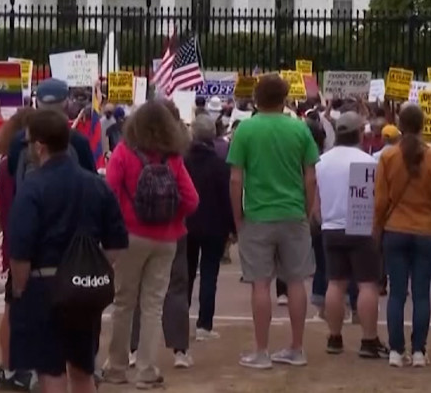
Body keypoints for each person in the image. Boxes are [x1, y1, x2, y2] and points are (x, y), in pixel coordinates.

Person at [8, 109, 128, 393]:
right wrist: (92, 269)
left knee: (51, 372)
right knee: (83, 368)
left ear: (40, 146)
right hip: (84, 287)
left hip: (43, 286)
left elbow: (21, 251)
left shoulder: (33, 187)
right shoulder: (96, 184)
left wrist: (20, 292)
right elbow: (115, 243)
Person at [103, 101, 199, 388]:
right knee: (153, 305)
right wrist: (172, 217)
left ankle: (118, 366)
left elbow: (108, 191)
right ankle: (146, 369)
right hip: (166, 238)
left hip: (130, 236)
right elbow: (192, 200)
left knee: (123, 302)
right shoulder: (173, 158)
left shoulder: (123, 152)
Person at [228, 75, 319, 370]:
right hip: (293, 212)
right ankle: (297, 347)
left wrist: (237, 217)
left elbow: (236, 178)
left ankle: (262, 350)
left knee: (260, 283)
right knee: (295, 281)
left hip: (258, 214)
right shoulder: (299, 129)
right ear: (285, 98)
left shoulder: (246, 130)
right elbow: (310, 176)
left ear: (256, 98)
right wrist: (305, 211)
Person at [374, 103, 431, 368]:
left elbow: (381, 200)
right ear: (423, 125)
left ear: (400, 125)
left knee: (396, 293)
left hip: (395, 228)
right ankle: (418, 350)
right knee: (421, 294)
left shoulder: (388, 157)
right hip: (426, 228)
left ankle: (395, 350)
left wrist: (377, 228)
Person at [315, 112, 389, 359]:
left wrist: (321, 219)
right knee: (368, 284)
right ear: (360, 133)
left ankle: (334, 336)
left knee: (336, 283)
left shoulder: (321, 161)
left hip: (331, 226)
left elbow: (315, 200)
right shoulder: (369, 162)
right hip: (361, 226)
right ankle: (369, 339)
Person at [0, 108, 37, 392]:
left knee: (12, 307)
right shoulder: (26, 166)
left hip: (12, 240)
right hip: (26, 244)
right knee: (18, 309)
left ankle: (9, 365)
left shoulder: (4, 163)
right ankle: (17, 366)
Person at [183, 115, 234, 343]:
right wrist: (233, 227)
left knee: (185, 275)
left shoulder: (183, 162)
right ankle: (204, 324)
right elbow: (228, 199)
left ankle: (180, 322)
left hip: (187, 225)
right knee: (209, 275)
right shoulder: (221, 166)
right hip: (214, 226)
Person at [7, 79, 96, 181]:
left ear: (36, 104)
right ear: (67, 105)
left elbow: (12, 177)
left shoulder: (18, 141)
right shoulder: (78, 142)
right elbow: (91, 180)